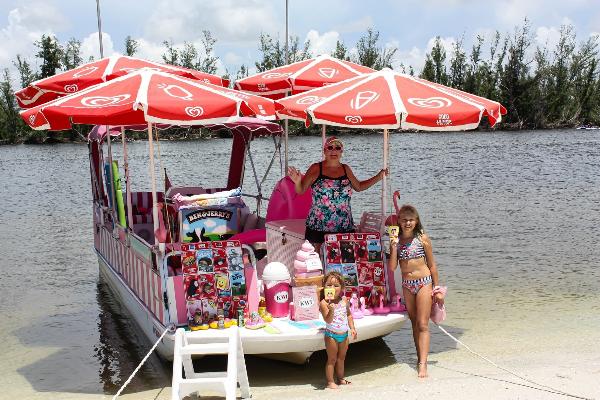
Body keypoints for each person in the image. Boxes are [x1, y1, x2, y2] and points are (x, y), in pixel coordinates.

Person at [288, 137, 387, 254]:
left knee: (345, 261)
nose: (333, 151)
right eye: (330, 147)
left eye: (337, 148)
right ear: (324, 151)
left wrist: (378, 177)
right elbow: (301, 190)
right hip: (319, 226)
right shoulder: (316, 168)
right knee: (320, 260)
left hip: (344, 225)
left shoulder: (346, 169)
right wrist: (297, 181)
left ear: (341, 152)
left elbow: (359, 187)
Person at [388, 204, 444, 378]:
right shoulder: (397, 242)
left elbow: (432, 265)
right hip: (407, 285)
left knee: (422, 324)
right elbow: (392, 267)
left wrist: (437, 289)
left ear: (416, 220)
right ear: (398, 221)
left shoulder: (422, 239)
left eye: (411, 220)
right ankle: (420, 355)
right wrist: (393, 247)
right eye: (404, 220)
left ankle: (423, 364)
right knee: (413, 323)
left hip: (423, 283)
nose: (407, 223)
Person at [319, 271, 357, 389]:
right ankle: (330, 382)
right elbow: (328, 320)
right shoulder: (324, 303)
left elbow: (349, 315)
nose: (332, 288)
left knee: (341, 358)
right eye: (329, 285)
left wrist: (352, 328)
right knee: (332, 359)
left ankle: (340, 379)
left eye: (336, 286)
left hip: (344, 334)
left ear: (342, 288)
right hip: (331, 335)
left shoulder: (344, 300)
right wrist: (331, 310)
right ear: (324, 287)